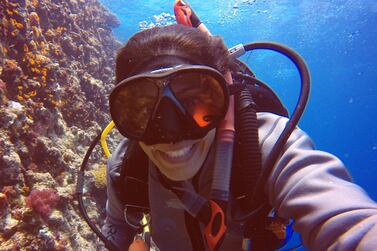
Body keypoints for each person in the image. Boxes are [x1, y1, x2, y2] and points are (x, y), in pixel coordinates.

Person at [102, 24, 377, 251]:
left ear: (225, 98)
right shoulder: (125, 169)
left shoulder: (268, 145)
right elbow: (115, 233)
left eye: (196, 102)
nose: (171, 134)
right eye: (142, 109)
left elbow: (350, 223)